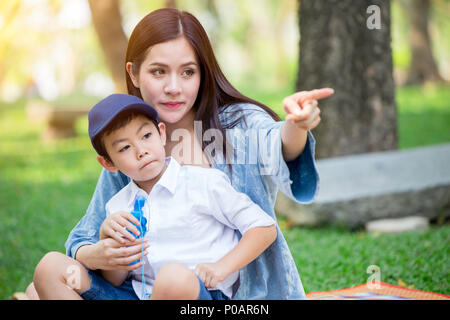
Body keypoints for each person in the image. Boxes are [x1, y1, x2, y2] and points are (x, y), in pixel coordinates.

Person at [27, 8, 334, 300]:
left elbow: (277, 145)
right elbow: (85, 237)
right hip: (139, 289)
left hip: (223, 293)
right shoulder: (129, 145)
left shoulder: (237, 124)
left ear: (203, 74)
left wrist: (297, 125)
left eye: (188, 72)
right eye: (159, 72)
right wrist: (101, 251)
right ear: (133, 74)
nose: (174, 87)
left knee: (171, 281)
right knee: (50, 274)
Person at [32, 93, 277, 300]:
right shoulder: (118, 205)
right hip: (136, 293)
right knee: (50, 266)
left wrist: (222, 267)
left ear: (161, 134)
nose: (141, 151)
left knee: (173, 277)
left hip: (195, 293)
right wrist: (111, 245)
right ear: (108, 163)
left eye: (146, 136)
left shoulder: (202, 183)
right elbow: (116, 281)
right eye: (124, 148)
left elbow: (264, 227)